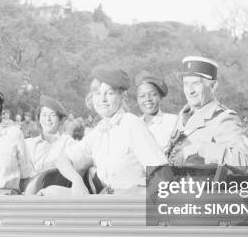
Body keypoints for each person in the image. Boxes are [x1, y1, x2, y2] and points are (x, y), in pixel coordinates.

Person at [51, 66, 167, 195]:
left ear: (121, 96)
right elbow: (62, 159)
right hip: (106, 200)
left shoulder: (132, 124)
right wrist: (77, 180)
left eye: (109, 93)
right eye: (98, 93)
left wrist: (134, 192)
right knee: (48, 193)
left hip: (130, 204)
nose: (102, 99)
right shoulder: (101, 129)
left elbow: (162, 174)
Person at [167, 56, 248, 166]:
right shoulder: (183, 115)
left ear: (213, 86)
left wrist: (197, 149)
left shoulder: (223, 118)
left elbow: (241, 162)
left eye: (196, 84)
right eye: (186, 84)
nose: (190, 91)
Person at [25, 95, 75, 175]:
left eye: (52, 115)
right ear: (39, 118)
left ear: (60, 119)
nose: (47, 119)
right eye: (44, 115)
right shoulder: (28, 144)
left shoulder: (68, 143)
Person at [134, 70, 177, 152]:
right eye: (142, 96)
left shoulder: (174, 122)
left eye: (153, 94)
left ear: (160, 97)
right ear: (137, 99)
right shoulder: (134, 125)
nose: (147, 99)